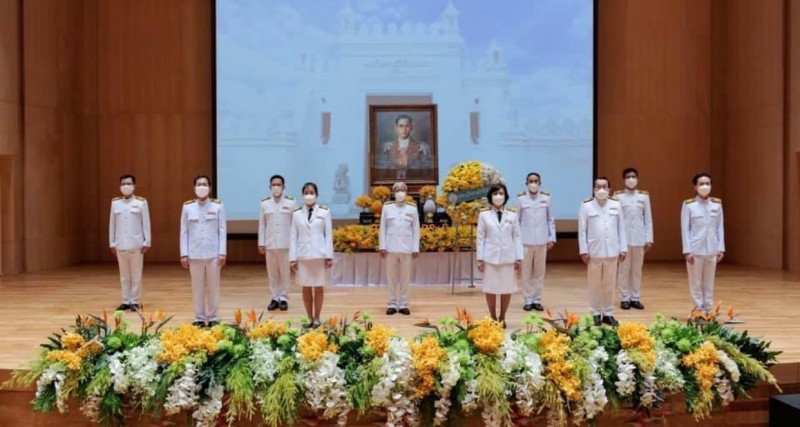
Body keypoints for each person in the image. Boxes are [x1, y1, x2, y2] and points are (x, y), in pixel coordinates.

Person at [579, 177, 627, 327]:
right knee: (594, 284)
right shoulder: (586, 205)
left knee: (609, 285)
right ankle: (594, 313)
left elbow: (621, 228)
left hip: (612, 250)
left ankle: (608, 313)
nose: (601, 189)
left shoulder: (616, 204)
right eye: (598, 187)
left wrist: (623, 248)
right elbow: (582, 230)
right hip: (594, 251)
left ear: (609, 189)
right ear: (593, 189)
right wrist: (583, 250)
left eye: (604, 187)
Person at [180, 175, 227, 327]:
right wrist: (184, 254)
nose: (202, 187)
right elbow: (184, 232)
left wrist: (222, 252)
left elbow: (222, 231)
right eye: (199, 184)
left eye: (204, 184)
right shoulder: (188, 207)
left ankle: (213, 317)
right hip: (194, 253)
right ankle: (199, 317)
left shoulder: (218, 206)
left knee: (213, 286)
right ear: (194, 188)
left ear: (210, 188)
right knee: (197, 287)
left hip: (213, 253)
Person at [476, 183, 523, 328]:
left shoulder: (512, 214)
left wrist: (519, 257)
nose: (498, 196)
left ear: (506, 196)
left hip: (508, 257)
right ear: (490, 197)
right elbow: (481, 238)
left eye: (501, 194)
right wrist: (480, 258)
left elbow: (517, 237)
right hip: (490, 258)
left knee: (506, 289)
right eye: (495, 194)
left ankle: (502, 317)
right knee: (490, 289)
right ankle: (492, 316)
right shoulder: (484, 215)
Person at [289, 182, 333, 328]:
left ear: (317, 195)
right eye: (306, 193)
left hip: (319, 255)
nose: (309, 195)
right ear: (302, 195)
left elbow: (328, 235)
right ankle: (309, 317)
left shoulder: (324, 211)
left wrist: (329, 256)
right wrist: (292, 258)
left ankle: (317, 318)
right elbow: (293, 236)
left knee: (319, 287)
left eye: (311, 193)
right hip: (303, 256)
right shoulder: (296, 213)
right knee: (306, 287)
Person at [681, 173, 725, 314]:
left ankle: (708, 309)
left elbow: (719, 227)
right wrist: (687, 250)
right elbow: (685, 229)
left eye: (707, 183)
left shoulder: (716, 205)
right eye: (701, 184)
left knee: (709, 282)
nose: (705, 186)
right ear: (695, 187)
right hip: (695, 249)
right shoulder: (689, 205)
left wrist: (720, 248)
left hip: (712, 248)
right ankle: (698, 309)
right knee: (696, 282)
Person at [109, 174, 151, 311]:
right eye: (123, 184)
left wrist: (147, 241)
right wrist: (112, 242)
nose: (126, 186)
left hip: (136, 244)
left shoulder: (141, 202)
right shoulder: (115, 203)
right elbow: (112, 224)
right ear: (119, 186)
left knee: (136, 274)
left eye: (128, 183)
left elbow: (146, 223)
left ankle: (135, 301)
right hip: (120, 243)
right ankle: (125, 300)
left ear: (134, 186)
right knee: (124, 275)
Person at [515, 172, 556, 312]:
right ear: (526, 183)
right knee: (526, 273)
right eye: (531, 181)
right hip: (525, 241)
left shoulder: (546, 198)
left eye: (536, 181)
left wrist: (552, 238)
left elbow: (550, 219)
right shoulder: (521, 199)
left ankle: (537, 300)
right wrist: (517, 240)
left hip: (542, 241)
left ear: (540, 183)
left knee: (539, 273)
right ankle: (527, 300)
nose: (533, 183)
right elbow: (517, 220)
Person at [614, 168, 653, 310]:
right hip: (623, 239)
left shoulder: (644, 197)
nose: (631, 179)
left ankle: (635, 297)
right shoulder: (618, 196)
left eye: (633, 176)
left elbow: (648, 219)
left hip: (639, 238)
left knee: (637, 270)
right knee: (624, 270)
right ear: (624, 180)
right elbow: (615, 220)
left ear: (637, 178)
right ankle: (624, 298)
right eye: (628, 177)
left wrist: (649, 238)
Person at [379, 182, 420, 315]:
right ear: (393, 193)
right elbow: (382, 227)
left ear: (406, 193)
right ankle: (391, 303)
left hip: (407, 247)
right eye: (397, 190)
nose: (400, 192)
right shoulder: (387, 207)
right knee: (391, 277)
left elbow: (416, 228)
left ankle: (403, 304)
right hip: (390, 247)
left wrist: (415, 248)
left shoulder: (412, 208)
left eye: (402, 190)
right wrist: (382, 246)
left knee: (405, 277)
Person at [258, 174, 296, 311]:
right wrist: (261, 242)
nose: (276, 187)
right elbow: (262, 224)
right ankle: (275, 297)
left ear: (283, 187)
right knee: (272, 273)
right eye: (274, 185)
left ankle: (284, 298)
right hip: (270, 243)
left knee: (285, 273)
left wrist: (295, 244)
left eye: (278, 185)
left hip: (286, 243)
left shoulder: (291, 203)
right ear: (270, 187)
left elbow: (294, 225)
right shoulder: (264, 203)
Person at [380, 114, 431, 179]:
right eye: (401, 126)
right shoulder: (388, 147)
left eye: (407, 126)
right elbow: (383, 173)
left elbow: (426, 173)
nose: (404, 129)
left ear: (411, 128)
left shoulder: (421, 147)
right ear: (396, 128)